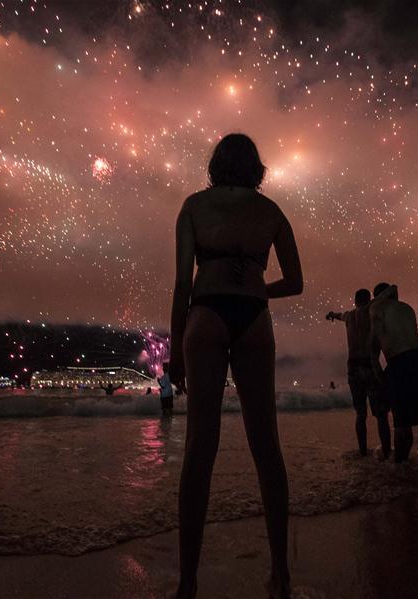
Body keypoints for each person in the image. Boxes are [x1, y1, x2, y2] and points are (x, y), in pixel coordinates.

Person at [169, 133, 303, 599]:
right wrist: (259, 290)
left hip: (205, 314)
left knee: (198, 451)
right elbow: (297, 281)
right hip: (254, 320)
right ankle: (281, 574)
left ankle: (188, 583)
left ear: (215, 164)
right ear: (256, 168)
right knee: (267, 448)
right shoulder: (271, 212)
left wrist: (172, 350)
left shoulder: (193, 206)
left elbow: (181, 284)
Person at [369, 283, 418, 462]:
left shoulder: (377, 307)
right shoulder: (406, 308)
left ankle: (400, 467)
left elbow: (374, 342)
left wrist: (377, 370)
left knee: (401, 422)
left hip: (400, 361)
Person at [326, 288, 392, 459]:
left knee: (360, 413)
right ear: (368, 299)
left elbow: (339, 314)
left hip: (353, 367)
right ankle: (386, 451)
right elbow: (388, 292)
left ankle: (363, 452)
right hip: (369, 365)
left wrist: (331, 314)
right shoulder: (370, 310)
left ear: (355, 301)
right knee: (380, 414)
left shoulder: (349, 316)